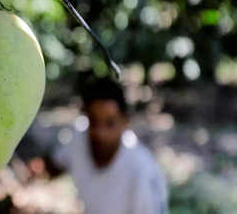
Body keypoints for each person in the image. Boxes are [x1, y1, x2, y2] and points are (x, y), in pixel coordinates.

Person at [45, 76, 169, 214]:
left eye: (110, 123)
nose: (100, 133)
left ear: (125, 122)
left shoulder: (142, 171)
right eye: (93, 121)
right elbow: (53, 166)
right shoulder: (79, 140)